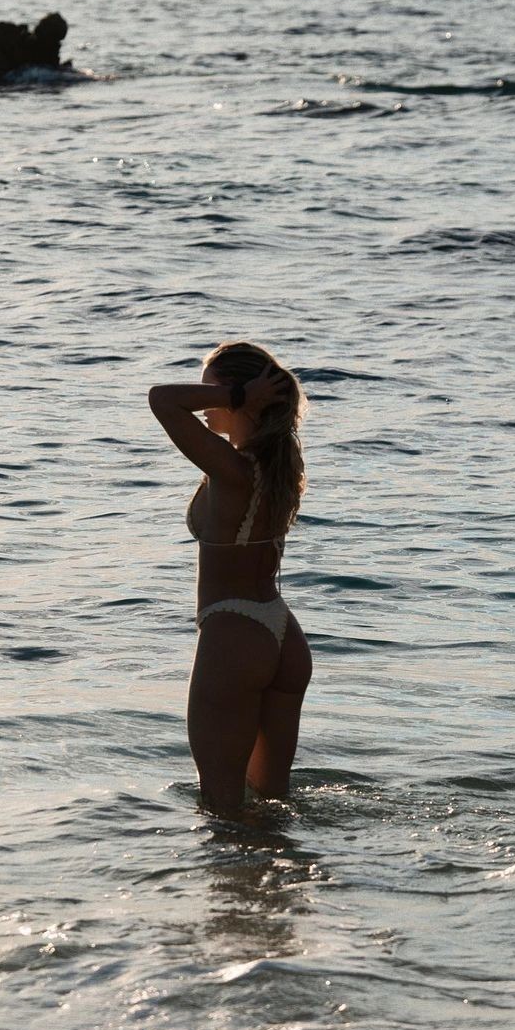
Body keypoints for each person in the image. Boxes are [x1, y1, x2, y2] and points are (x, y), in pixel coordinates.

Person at [149, 342, 313, 818]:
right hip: (283, 637)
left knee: (221, 809)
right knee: (272, 807)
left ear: (243, 396)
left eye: (212, 392)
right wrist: (238, 395)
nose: (204, 403)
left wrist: (237, 395)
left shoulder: (233, 469)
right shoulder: (277, 466)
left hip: (234, 636)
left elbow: (162, 399)